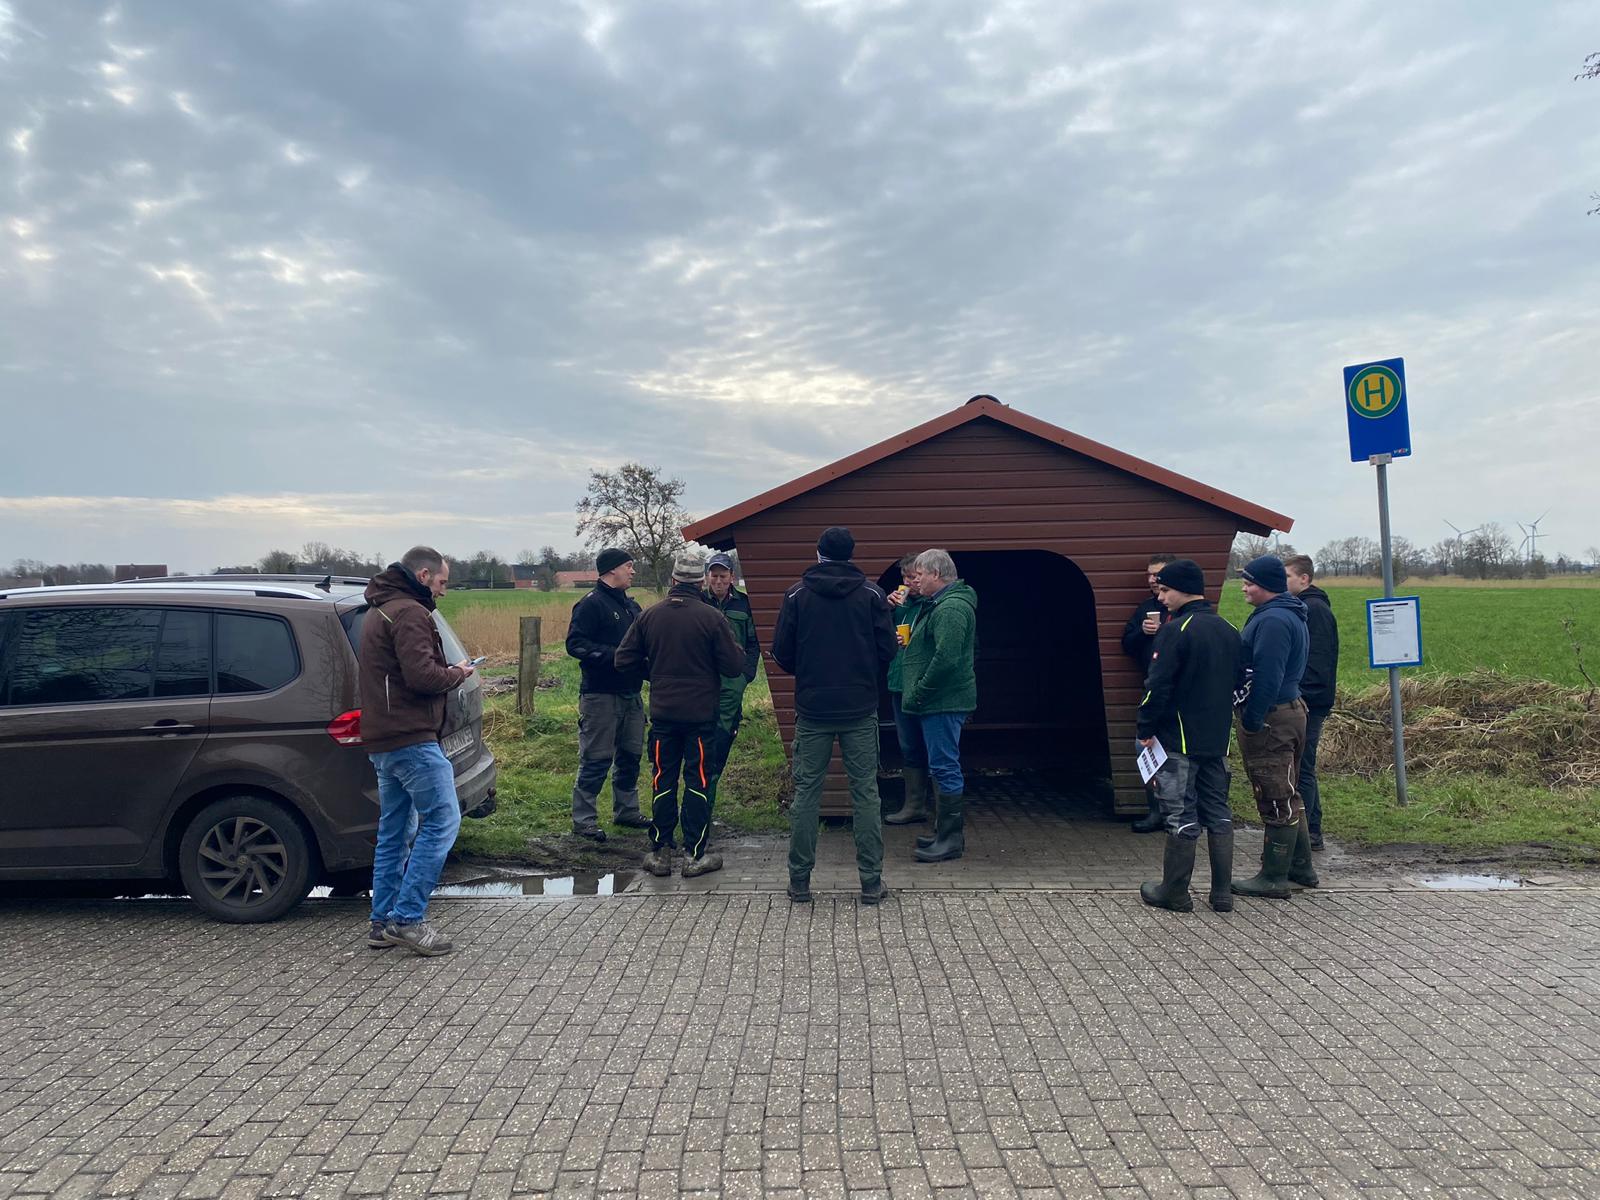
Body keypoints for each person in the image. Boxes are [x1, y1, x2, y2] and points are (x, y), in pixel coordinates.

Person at [771, 526, 898, 905]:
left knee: (807, 793)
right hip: (860, 708)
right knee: (866, 794)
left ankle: (799, 882)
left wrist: (811, 674)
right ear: (851, 554)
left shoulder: (796, 595)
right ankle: (872, 883)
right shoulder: (872, 595)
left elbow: (782, 652)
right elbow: (888, 650)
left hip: (813, 709)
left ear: (819, 552)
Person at [360, 546, 476, 957]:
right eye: (442, 582)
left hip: (383, 739)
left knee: (395, 830)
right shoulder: (410, 612)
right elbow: (423, 676)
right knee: (443, 819)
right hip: (410, 737)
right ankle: (408, 918)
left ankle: (381, 921)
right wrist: (458, 674)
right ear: (424, 575)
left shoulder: (380, 608)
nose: (443, 591)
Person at [615, 551, 745, 878]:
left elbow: (623, 660)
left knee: (663, 778)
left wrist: (656, 674)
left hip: (663, 716)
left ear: (673, 581)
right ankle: (694, 853)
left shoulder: (650, 617)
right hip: (701, 716)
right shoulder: (712, 618)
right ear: (700, 582)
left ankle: (660, 853)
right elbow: (733, 665)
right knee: (698, 780)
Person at [1134, 559, 1241, 913]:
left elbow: (1157, 686)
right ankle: (1222, 893)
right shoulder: (1228, 628)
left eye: (1165, 590)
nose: (1160, 597)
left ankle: (1175, 892)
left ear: (1183, 589)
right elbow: (1242, 683)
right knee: (1219, 812)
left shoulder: (1175, 630)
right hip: (1217, 741)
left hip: (1179, 740)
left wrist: (1145, 728)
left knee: (1180, 815)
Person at [1231, 554, 1316, 900]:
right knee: (1290, 790)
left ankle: (1273, 876)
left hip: (1272, 716)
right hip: (1289, 710)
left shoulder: (1274, 622)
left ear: (1265, 585)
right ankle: (1300, 867)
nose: (1244, 587)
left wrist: (1252, 718)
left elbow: (1268, 675)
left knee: (1275, 793)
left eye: (1249, 581)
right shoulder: (1285, 614)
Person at [565, 549, 651, 841]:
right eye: (629, 566)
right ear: (612, 570)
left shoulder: (632, 607)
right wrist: (616, 657)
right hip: (600, 696)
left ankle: (626, 810)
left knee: (631, 756)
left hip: (632, 695)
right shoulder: (590, 605)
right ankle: (584, 819)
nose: (633, 572)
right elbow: (575, 644)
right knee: (596, 757)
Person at [901, 549, 979, 865]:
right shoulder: (939, 604)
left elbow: (947, 658)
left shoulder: (951, 609)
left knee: (945, 766)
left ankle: (951, 839)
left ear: (936, 574)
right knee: (941, 764)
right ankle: (943, 832)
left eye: (919, 574)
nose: (914, 579)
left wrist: (921, 691)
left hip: (942, 700)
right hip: (938, 700)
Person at [1284, 554, 1339, 852]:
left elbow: (1317, 662)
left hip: (1310, 702)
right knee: (1301, 765)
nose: (1284, 583)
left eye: (1288, 577)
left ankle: (1311, 831)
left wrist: (1300, 695)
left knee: (1303, 766)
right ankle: (1307, 829)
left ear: (1304, 579)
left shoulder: (1314, 610)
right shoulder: (1307, 607)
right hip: (1309, 698)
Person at [701, 552, 761, 821]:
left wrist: (745, 675)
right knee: (703, 743)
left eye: (722, 576)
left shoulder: (744, 605)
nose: (718, 581)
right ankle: (700, 807)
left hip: (732, 682)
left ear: (732, 578)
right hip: (703, 681)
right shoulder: (699, 602)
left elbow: (753, 643)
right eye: (713, 576)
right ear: (706, 578)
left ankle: (704, 805)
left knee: (720, 741)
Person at [1122, 552, 1178, 833]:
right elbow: (1126, 644)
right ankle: (1155, 811)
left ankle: (1179, 816)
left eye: (1158, 574)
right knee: (1146, 751)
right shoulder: (1145, 608)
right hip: (1151, 689)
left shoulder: (1183, 614)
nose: (1153, 580)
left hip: (1179, 696)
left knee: (1178, 757)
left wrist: (1161, 633)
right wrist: (1141, 633)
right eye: (1149, 575)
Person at [881, 553, 932, 828]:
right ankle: (914, 806)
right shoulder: (898, 606)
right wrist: (885, 609)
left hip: (928, 686)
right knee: (909, 745)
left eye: (914, 576)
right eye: (905, 577)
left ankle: (945, 813)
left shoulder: (934, 605)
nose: (910, 582)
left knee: (936, 748)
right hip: (900, 684)